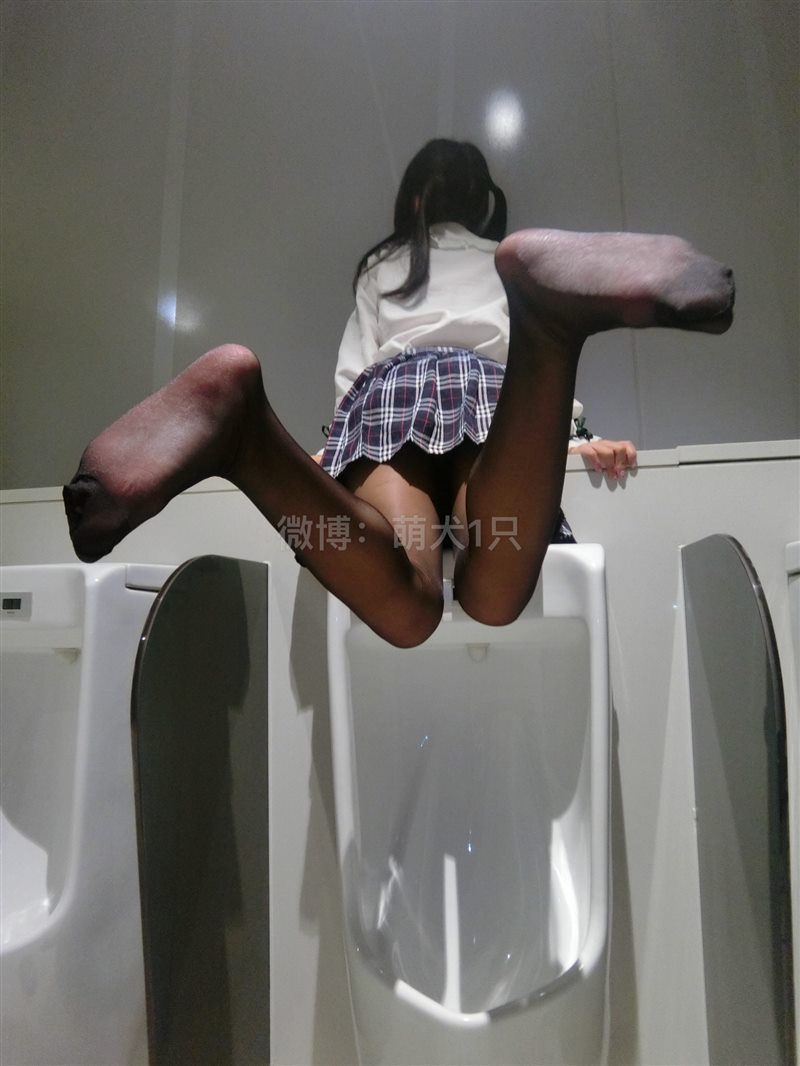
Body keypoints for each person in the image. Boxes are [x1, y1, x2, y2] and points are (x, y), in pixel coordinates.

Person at [63, 139, 734, 648]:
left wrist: (332, 453)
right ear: (483, 204)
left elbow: (356, 370)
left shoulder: (384, 266)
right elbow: (521, 390)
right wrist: (580, 439)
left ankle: (248, 438)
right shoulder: (491, 257)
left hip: (391, 398)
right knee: (495, 592)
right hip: (490, 392)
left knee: (408, 607)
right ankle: (550, 330)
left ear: (414, 201)